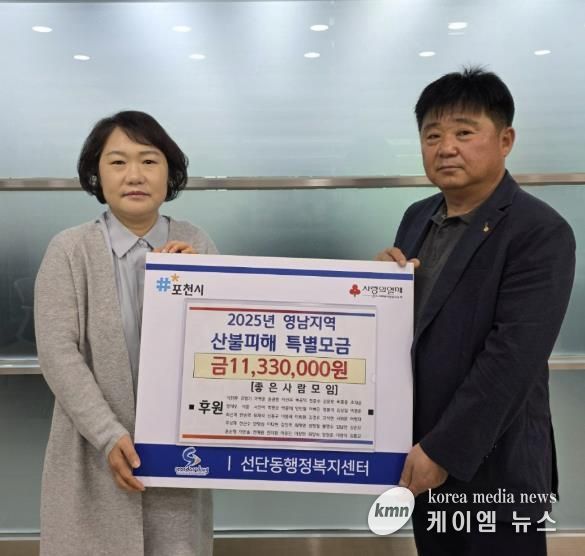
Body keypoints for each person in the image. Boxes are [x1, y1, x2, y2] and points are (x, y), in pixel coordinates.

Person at [376, 68, 575, 555]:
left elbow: (512, 359)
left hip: (495, 466)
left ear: (505, 140)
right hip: (422, 454)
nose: (446, 148)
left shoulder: (539, 231)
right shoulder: (418, 217)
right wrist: (379, 287)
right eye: (432, 135)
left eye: (464, 133)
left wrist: (442, 450)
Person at [34, 111, 216, 556]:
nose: (134, 175)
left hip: (178, 457)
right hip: (90, 452)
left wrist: (204, 283)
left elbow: (225, 346)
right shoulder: (70, 249)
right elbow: (58, 353)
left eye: (149, 161)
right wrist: (107, 434)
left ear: (170, 172)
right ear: (97, 174)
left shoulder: (196, 242)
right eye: (117, 162)